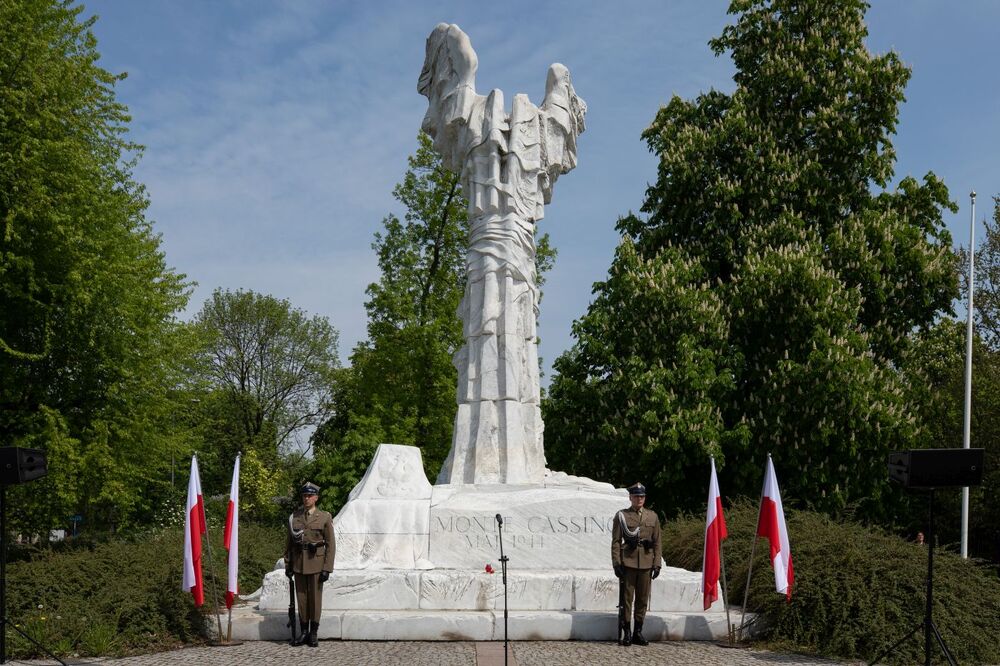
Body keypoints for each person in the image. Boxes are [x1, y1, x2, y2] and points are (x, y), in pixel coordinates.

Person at [284, 482, 335, 647]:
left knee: (315, 600)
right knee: (302, 599)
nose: (306, 499)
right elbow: (289, 544)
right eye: (304, 496)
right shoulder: (295, 516)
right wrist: (288, 565)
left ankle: (313, 633)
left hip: (316, 564)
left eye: (309, 496)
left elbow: (330, 545)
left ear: (316, 498)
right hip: (299, 563)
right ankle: (303, 631)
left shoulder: (324, 517)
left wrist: (327, 568)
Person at [611, 482, 662, 647]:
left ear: (644, 498)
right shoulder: (622, 516)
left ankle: (638, 632)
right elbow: (616, 541)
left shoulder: (652, 516)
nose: (639, 499)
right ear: (630, 497)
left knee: (642, 599)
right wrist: (617, 563)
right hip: (629, 562)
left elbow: (657, 543)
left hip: (646, 563)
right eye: (636, 496)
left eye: (641, 496)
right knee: (627, 599)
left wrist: (657, 564)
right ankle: (627, 632)